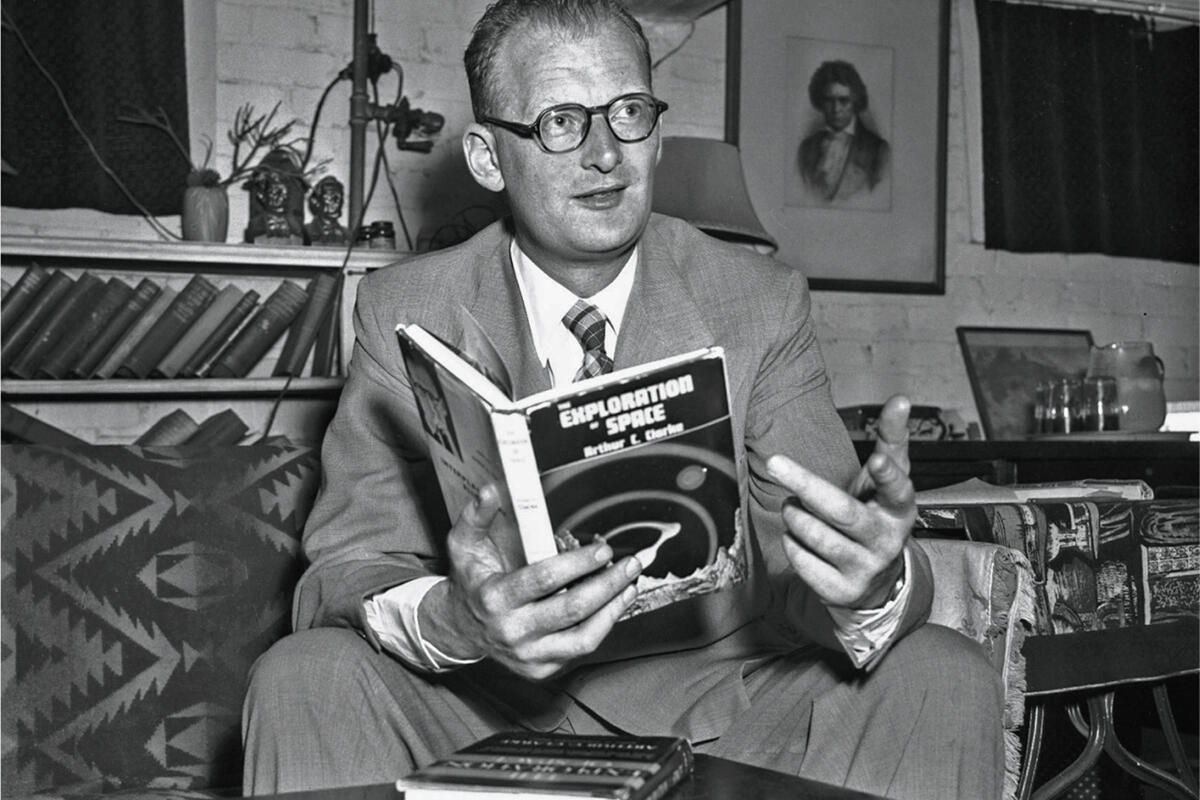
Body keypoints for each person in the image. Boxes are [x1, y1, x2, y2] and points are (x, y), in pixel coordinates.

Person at [242, 2, 1003, 799]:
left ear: (657, 133)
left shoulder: (759, 302)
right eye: (562, 122)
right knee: (305, 677)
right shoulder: (406, 309)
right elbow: (344, 570)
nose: (605, 154)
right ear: (488, 157)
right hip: (485, 707)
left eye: (629, 113)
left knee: (942, 675)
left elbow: (805, 566)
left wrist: (870, 583)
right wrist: (459, 620)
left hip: (725, 716)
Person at [798, 60, 889, 203]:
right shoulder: (807, 148)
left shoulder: (878, 150)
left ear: (856, 102)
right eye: (829, 100)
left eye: (844, 101)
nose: (836, 109)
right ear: (820, 102)